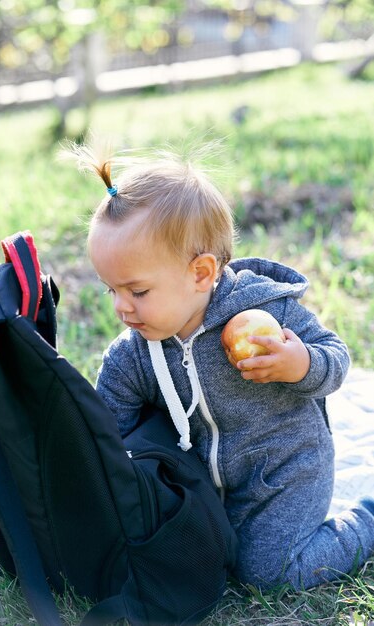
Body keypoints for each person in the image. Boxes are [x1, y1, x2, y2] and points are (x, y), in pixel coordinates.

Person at [70, 142, 374, 591]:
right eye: (109, 290)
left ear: (200, 272)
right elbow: (105, 429)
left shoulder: (265, 312)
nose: (121, 307)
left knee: (266, 573)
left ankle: (366, 522)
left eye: (137, 291)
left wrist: (299, 363)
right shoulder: (133, 353)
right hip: (210, 486)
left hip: (286, 471)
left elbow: (336, 359)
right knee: (205, 564)